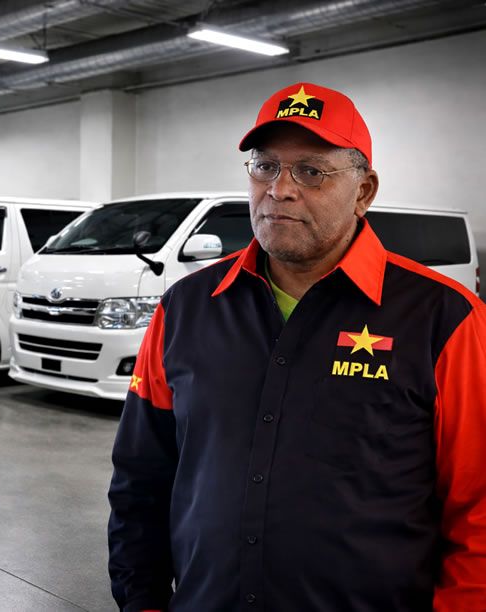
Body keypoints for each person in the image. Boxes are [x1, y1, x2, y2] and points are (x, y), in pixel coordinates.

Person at [107, 82, 486, 611]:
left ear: (364, 191)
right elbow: (141, 478)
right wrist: (142, 600)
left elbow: (477, 513)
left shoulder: (445, 319)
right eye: (265, 166)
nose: (279, 189)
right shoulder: (185, 308)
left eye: (311, 171)